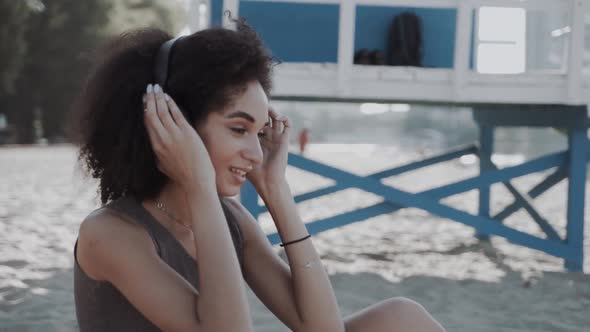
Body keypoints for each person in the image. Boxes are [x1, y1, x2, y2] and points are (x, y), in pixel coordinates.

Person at [72, 17, 446, 332]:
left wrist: (276, 191)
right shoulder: (110, 234)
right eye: (238, 129)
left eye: (259, 131)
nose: (254, 152)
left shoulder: (231, 220)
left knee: (403, 318)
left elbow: (322, 329)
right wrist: (200, 187)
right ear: (175, 123)